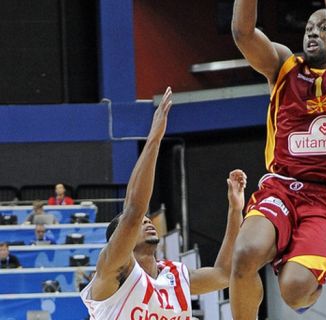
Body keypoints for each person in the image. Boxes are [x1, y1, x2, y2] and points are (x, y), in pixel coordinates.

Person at [230, 0, 326, 318]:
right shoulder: (284, 66)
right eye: (309, 28)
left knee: (294, 292)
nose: (313, 33)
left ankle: (304, 282)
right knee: (244, 253)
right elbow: (242, 33)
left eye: (323, 28)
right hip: (280, 188)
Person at [80, 87, 246, 319]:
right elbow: (133, 211)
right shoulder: (112, 271)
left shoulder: (174, 275)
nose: (147, 222)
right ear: (118, 238)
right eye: (141, 223)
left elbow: (223, 274)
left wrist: (235, 210)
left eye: (148, 220)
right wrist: (154, 140)